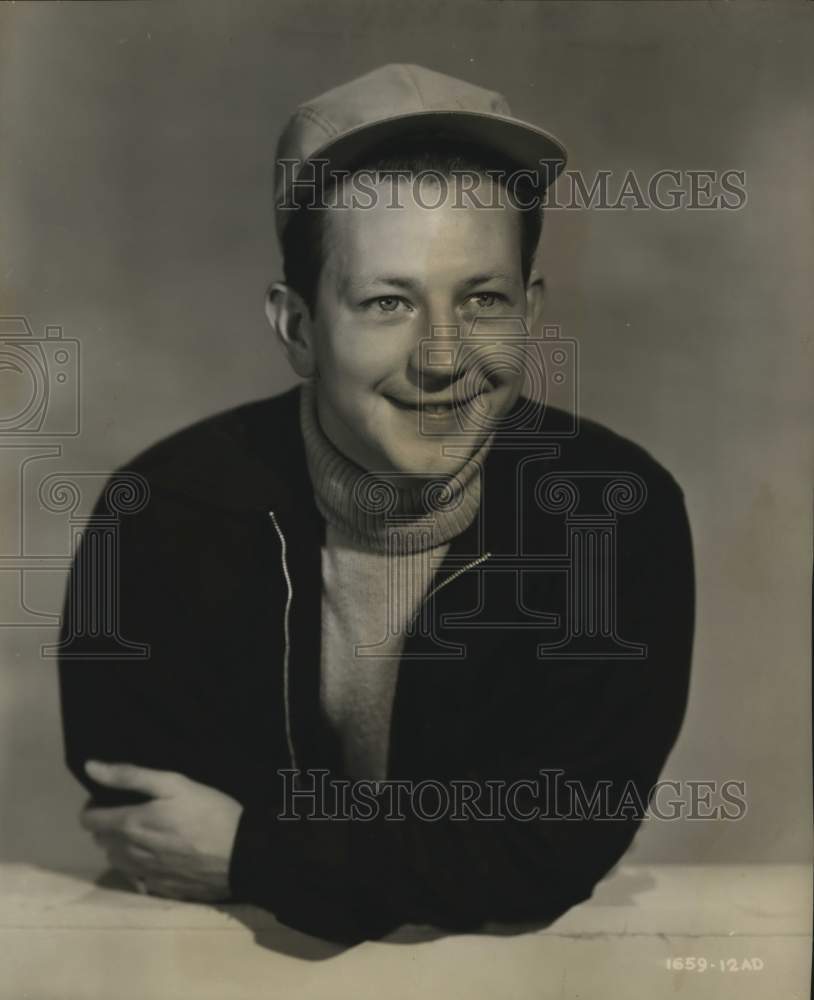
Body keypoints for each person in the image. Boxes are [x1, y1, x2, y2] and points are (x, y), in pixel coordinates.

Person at [57, 64, 695, 944]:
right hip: (219, 962)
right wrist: (430, 853)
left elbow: (551, 849)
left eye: (482, 299)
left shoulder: (614, 515)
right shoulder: (159, 512)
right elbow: (149, 823)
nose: (443, 357)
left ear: (531, 311)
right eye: (388, 302)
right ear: (299, 329)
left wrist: (254, 850)